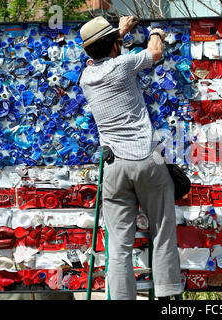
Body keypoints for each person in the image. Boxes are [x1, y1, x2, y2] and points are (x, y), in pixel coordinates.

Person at [79, 16, 182, 300]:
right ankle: (167, 292)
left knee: (118, 246)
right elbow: (155, 52)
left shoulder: (86, 77)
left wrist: (117, 33)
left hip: (113, 167)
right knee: (161, 228)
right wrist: (156, 31)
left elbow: (96, 55)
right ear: (115, 46)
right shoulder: (123, 65)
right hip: (147, 159)